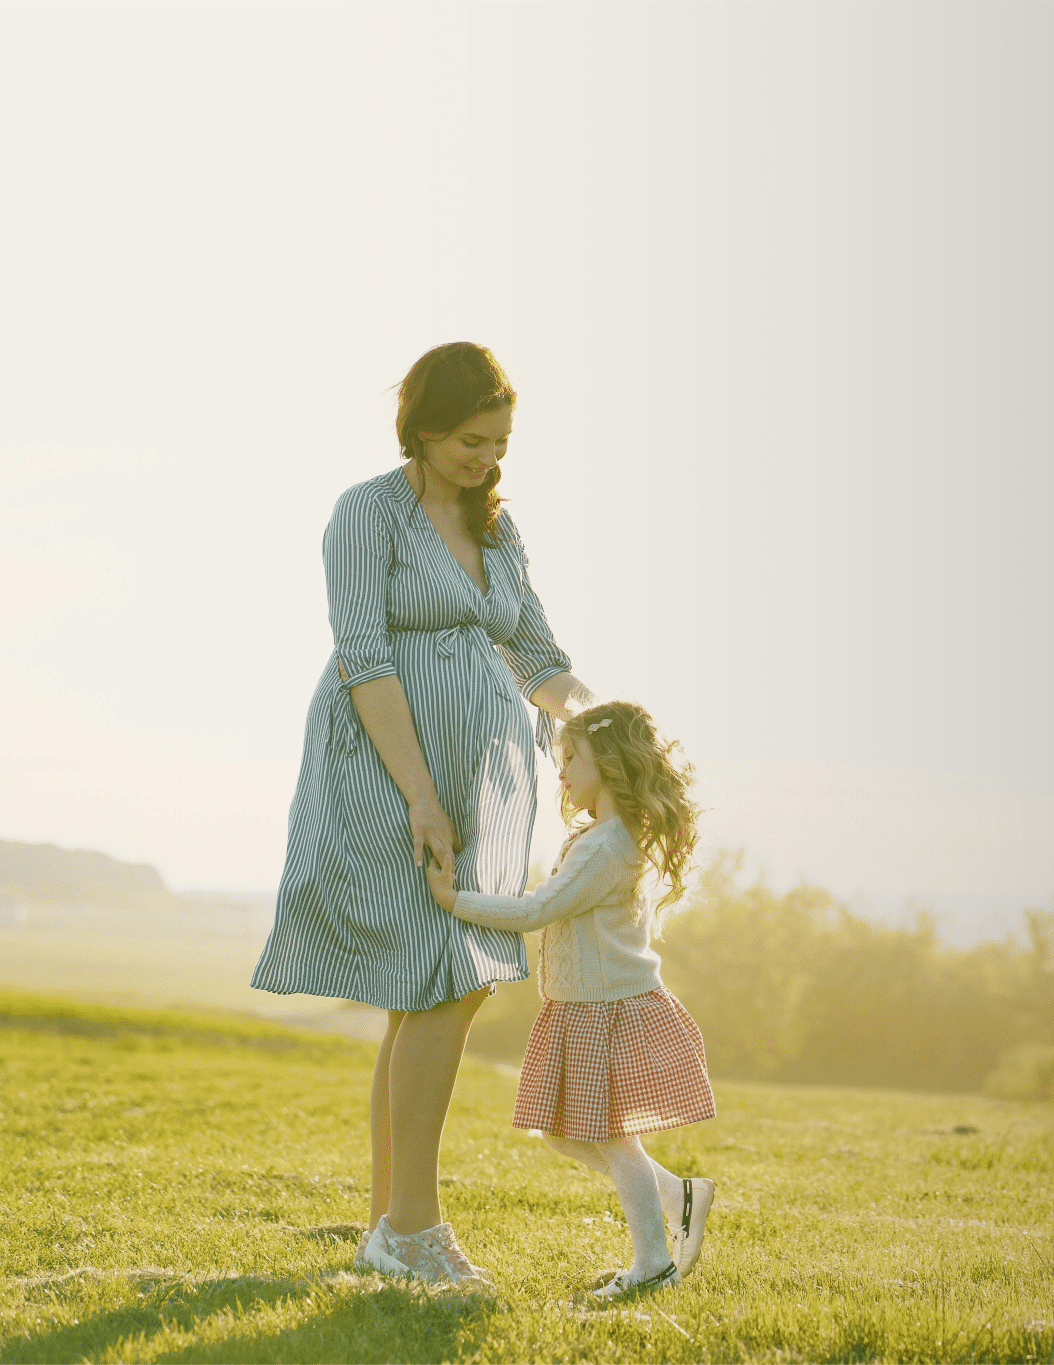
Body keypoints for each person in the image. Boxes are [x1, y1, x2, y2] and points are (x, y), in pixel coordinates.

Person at [251, 342, 594, 1285]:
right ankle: (413, 1228)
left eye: (501, 444)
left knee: (441, 982)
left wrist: (607, 723)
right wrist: (422, 799)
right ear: (424, 428)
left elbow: (540, 658)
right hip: (385, 767)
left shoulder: (498, 527)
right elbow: (363, 655)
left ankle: (387, 1228)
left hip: (489, 780)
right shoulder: (367, 513)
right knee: (441, 978)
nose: (488, 459)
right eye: (472, 441)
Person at [425, 700, 716, 1299]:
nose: (561, 772)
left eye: (572, 758)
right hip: (582, 1007)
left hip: (606, 1010)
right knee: (562, 1132)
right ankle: (676, 1195)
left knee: (611, 1135)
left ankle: (653, 1264)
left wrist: (455, 901)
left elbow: (539, 909)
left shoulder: (606, 848)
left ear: (606, 764)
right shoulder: (599, 838)